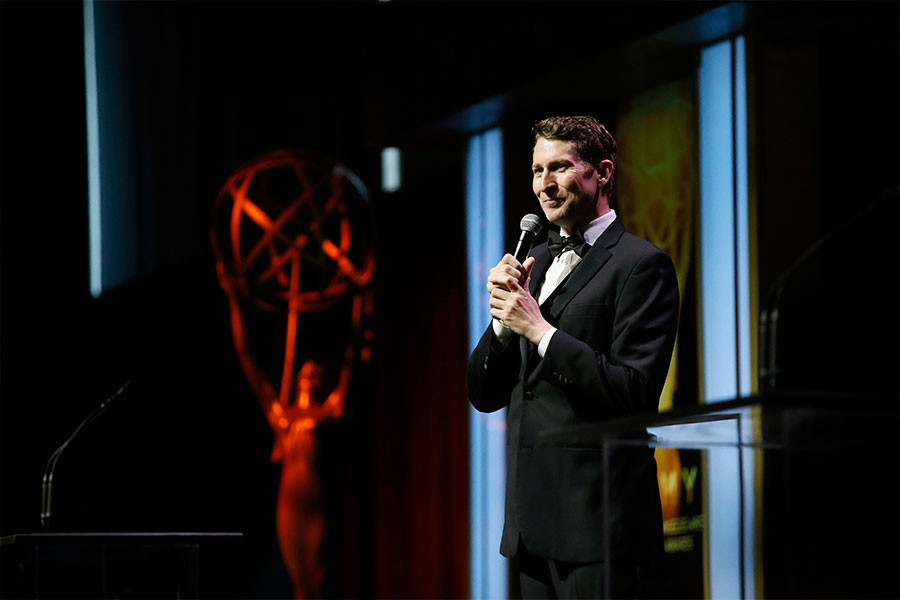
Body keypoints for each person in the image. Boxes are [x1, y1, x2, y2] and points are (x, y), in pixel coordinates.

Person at [466, 116, 679, 599]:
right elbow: (482, 395)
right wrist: (503, 321)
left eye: (559, 168)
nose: (544, 184)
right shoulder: (535, 262)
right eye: (537, 170)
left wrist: (540, 331)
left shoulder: (641, 265)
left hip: (600, 527)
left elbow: (634, 391)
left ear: (601, 173)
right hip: (531, 526)